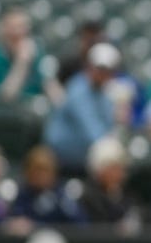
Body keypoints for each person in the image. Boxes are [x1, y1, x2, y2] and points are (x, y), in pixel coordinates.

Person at [42, 41, 120, 174]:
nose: (102, 74)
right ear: (89, 67)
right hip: (62, 159)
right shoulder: (78, 89)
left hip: (84, 161)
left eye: (106, 70)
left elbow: (108, 126)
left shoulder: (105, 93)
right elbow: (92, 130)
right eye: (99, 69)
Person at [9, 144, 86, 225]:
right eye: (36, 170)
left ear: (54, 172)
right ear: (27, 172)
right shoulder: (21, 196)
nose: (40, 176)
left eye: (45, 170)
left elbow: (80, 224)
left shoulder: (63, 196)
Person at [79, 135, 140, 233]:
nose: (119, 174)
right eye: (113, 168)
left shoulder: (128, 195)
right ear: (99, 170)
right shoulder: (87, 198)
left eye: (121, 168)